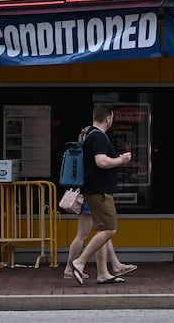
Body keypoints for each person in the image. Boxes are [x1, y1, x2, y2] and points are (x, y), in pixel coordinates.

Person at [68, 104, 132, 285]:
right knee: (110, 229)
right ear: (109, 118)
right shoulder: (98, 136)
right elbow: (101, 162)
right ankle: (79, 262)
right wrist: (121, 160)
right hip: (100, 191)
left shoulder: (90, 135)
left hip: (95, 190)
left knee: (102, 230)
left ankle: (103, 273)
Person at [63, 199, 138, 280]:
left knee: (103, 231)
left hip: (87, 200)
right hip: (90, 201)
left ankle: (116, 264)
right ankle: (70, 268)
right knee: (84, 235)